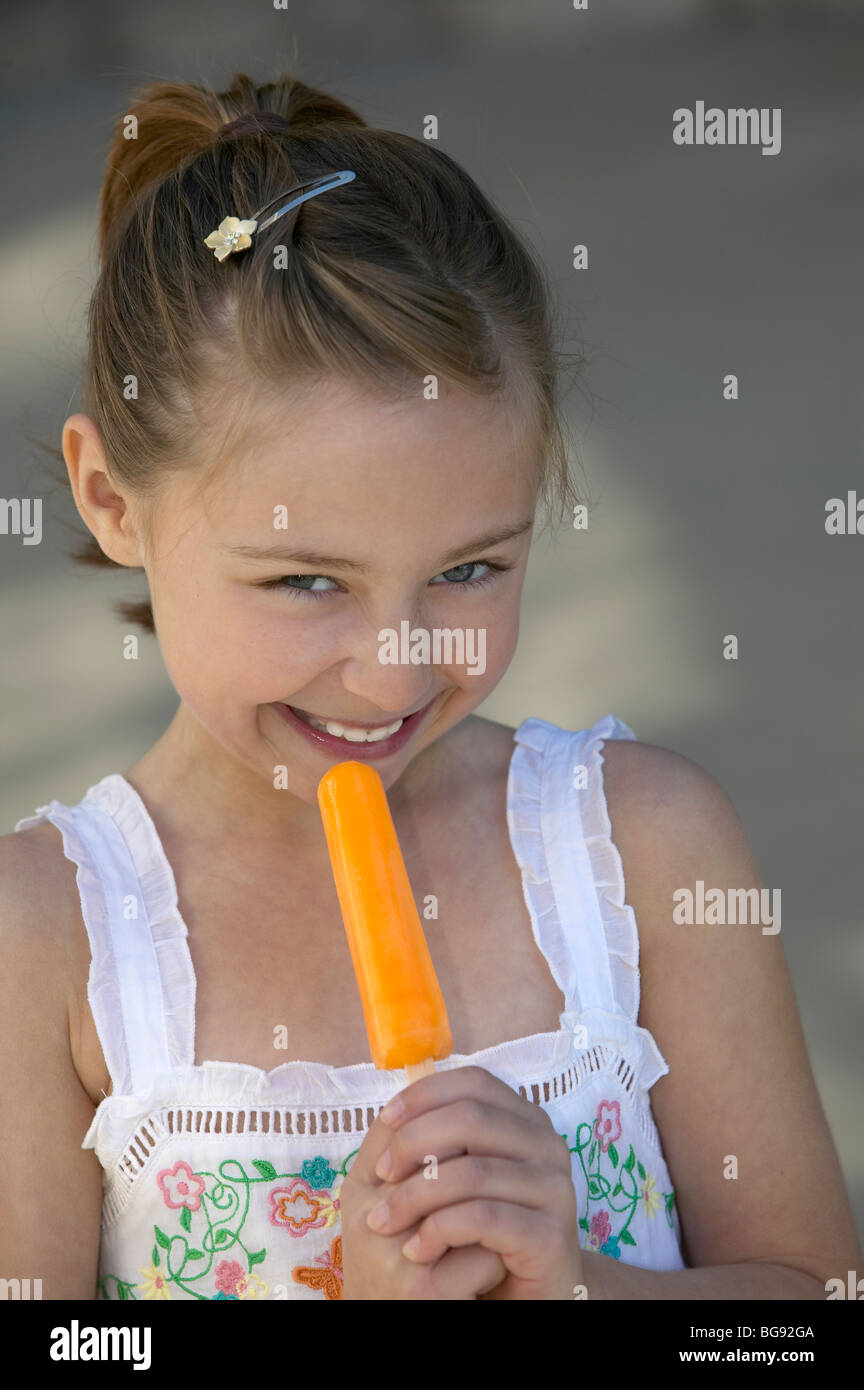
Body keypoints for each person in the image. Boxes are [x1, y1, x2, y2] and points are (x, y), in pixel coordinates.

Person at [2, 70, 859, 1302]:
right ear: (111, 501)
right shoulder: (45, 937)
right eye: (305, 581)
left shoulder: (643, 848)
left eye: (468, 569)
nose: (398, 668)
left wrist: (579, 1288)